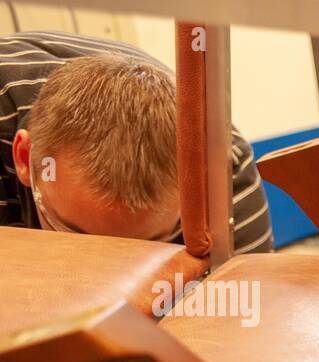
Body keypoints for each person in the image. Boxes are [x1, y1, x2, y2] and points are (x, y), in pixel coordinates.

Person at [1, 31, 271, 250]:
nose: (109, 270)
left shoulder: (220, 170)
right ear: (25, 157)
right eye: (76, 235)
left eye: (151, 244)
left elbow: (242, 307)